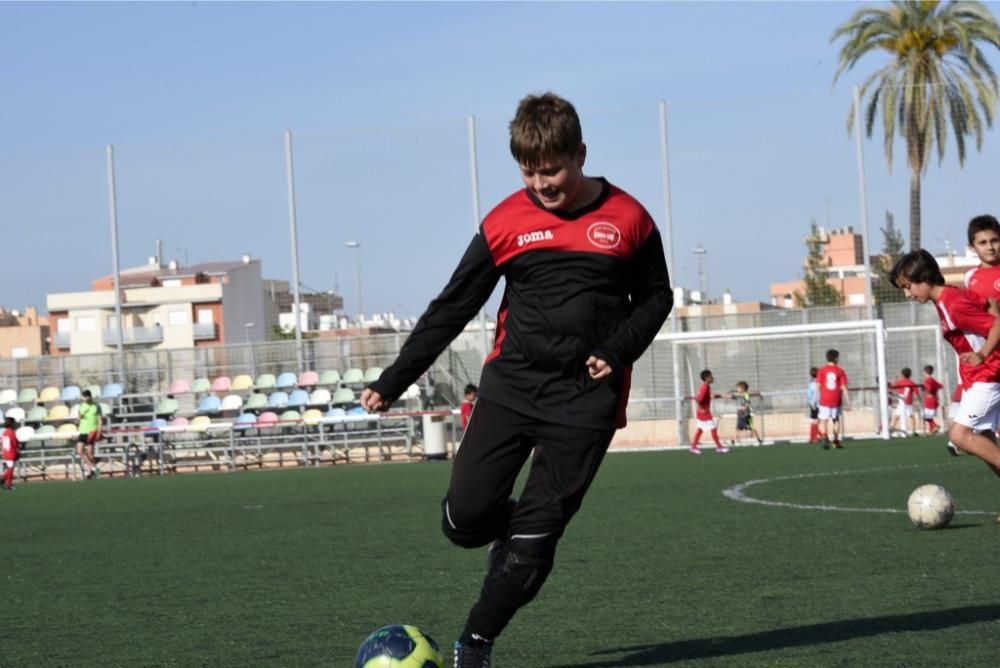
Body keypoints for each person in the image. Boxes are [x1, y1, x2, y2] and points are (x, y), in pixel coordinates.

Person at [359, 92, 673, 667]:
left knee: (531, 548)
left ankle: (475, 641)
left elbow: (657, 296)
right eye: (529, 171)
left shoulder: (628, 218)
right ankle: (518, 532)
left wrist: (619, 348)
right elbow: (452, 306)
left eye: (551, 168)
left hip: (585, 401)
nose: (541, 183)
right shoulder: (505, 221)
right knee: (463, 521)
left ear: (579, 154)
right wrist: (394, 379)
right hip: (512, 388)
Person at [891, 249, 1000, 479]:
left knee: (959, 436)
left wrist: (982, 353)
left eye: (908, 286)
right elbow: (988, 303)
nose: (907, 294)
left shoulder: (953, 303)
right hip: (977, 376)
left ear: (926, 277)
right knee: (985, 439)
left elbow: (996, 325)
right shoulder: (949, 297)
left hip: (989, 374)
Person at [690, 370, 728, 454]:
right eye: (711, 376)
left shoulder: (706, 387)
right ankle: (719, 447)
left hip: (702, 413)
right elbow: (698, 399)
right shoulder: (704, 387)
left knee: (700, 429)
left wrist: (722, 395)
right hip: (704, 413)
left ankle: (693, 447)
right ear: (706, 378)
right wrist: (701, 409)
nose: (712, 378)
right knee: (713, 429)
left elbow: (710, 396)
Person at [817, 349, 849, 449]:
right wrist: (848, 400)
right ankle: (835, 441)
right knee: (836, 420)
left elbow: (818, 385)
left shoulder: (821, 370)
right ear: (836, 358)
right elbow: (843, 387)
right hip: (836, 399)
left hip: (825, 399)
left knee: (823, 420)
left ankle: (824, 436)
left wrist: (816, 398)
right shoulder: (840, 371)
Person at [963, 214, 1000, 300]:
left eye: (994, 241)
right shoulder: (969, 276)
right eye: (983, 243)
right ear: (972, 247)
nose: (990, 247)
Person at [76, 389, 103, 480]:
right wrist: (79, 419)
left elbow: (100, 420)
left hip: (92, 431)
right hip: (83, 430)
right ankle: (93, 467)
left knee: (90, 453)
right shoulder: (81, 406)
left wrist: (99, 432)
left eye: (86, 397)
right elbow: (79, 419)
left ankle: (90, 473)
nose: (85, 399)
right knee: (79, 451)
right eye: (83, 398)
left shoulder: (96, 406)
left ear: (90, 397)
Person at [889, 367, 920, 436]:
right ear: (910, 375)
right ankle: (913, 430)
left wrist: (894, 379)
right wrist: (920, 400)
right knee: (911, 416)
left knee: (896, 416)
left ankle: (891, 429)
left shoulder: (899, 382)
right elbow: (917, 392)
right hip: (908, 401)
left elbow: (891, 388)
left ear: (902, 375)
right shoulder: (912, 382)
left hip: (901, 401)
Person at [731, 381, 763, 446]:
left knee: (752, 427)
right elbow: (732, 395)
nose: (737, 389)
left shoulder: (746, 395)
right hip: (740, 415)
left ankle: (758, 439)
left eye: (738, 388)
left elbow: (748, 403)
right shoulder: (738, 395)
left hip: (746, 415)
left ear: (743, 389)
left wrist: (744, 408)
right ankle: (733, 440)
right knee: (737, 428)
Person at [921, 365, 944, 436]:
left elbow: (929, 387)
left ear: (925, 372)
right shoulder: (933, 380)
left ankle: (935, 425)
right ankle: (932, 430)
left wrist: (929, 392)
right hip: (934, 399)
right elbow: (941, 386)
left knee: (925, 416)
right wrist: (934, 390)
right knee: (928, 416)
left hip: (929, 400)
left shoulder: (927, 380)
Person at [946, 383, 964, 456]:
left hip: (959, 391)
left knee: (954, 417)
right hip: (969, 390)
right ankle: (955, 442)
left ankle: (953, 442)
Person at [1, 417, 19, 490]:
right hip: (11, 452)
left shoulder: (4, 432)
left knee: (10, 467)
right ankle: (6, 482)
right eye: (14, 423)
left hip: (6, 451)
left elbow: (2, 442)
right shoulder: (12, 432)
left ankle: (7, 481)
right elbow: (14, 443)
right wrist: (18, 450)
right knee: (11, 468)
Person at [807, 367, 820, 443]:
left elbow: (809, 396)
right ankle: (816, 437)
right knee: (817, 421)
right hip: (818, 404)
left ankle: (812, 437)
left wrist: (811, 404)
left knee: (813, 421)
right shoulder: (818, 384)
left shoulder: (811, 384)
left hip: (813, 404)